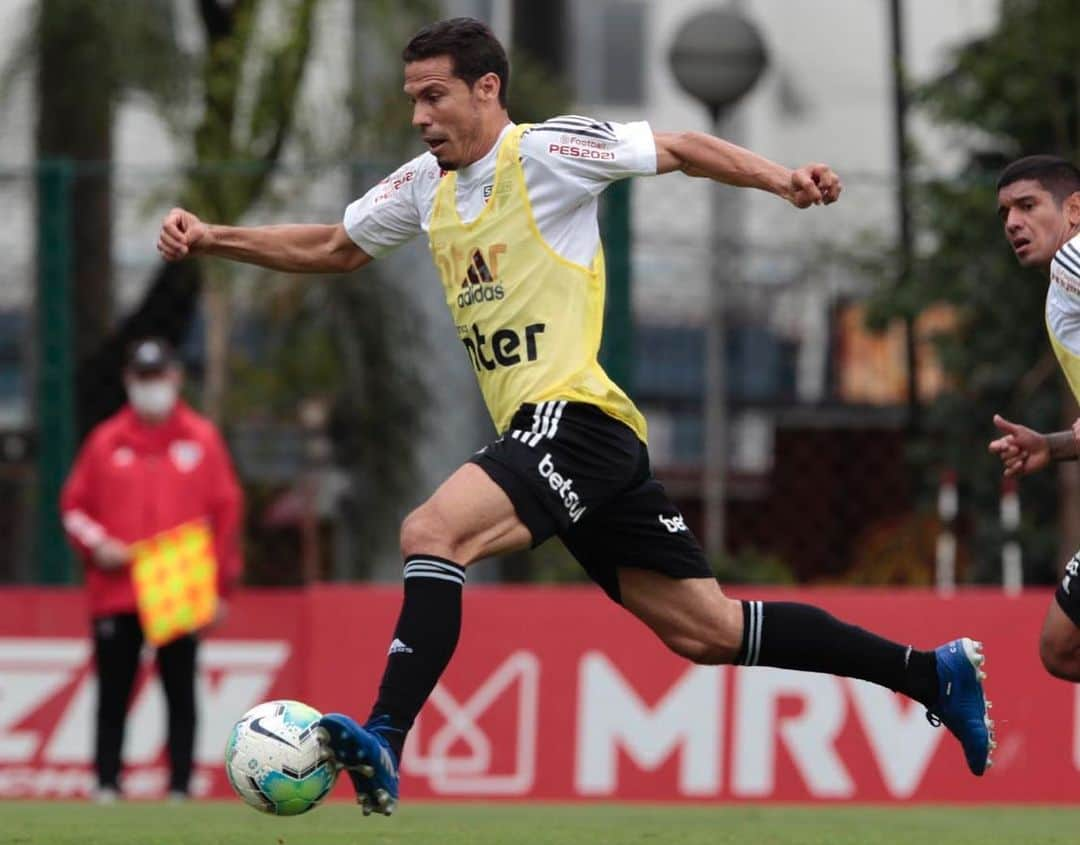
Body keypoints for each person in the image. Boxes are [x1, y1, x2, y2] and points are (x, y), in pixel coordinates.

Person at [156, 17, 993, 815]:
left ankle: (382, 735)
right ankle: (931, 672)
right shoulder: (423, 187)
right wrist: (212, 237)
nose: (419, 117)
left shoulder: (550, 151)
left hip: (574, 419)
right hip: (579, 441)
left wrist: (780, 179)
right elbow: (336, 247)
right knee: (705, 630)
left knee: (431, 530)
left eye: (436, 96)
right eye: (412, 99)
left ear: (488, 89)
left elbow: (681, 146)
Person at [60, 338, 244, 802]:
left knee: (180, 690)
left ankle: (180, 786)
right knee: (113, 692)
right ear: (129, 382)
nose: (151, 388)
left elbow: (226, 515)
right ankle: (105, 784)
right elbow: (72, 507)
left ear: (176, 379)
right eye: (142, 379)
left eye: (157, 377)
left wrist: (221, 589)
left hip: (177, 589)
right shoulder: (106, 442)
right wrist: (99, 544)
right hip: (116, 590)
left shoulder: (201, 440)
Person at [988, 155, 1080, 681]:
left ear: (1073, 209)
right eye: (1005, 214)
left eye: (1027, 205)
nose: (1013, 223)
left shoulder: (1073, 259)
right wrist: (1054, 445)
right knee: (1061, 648)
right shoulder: (1061, 287)